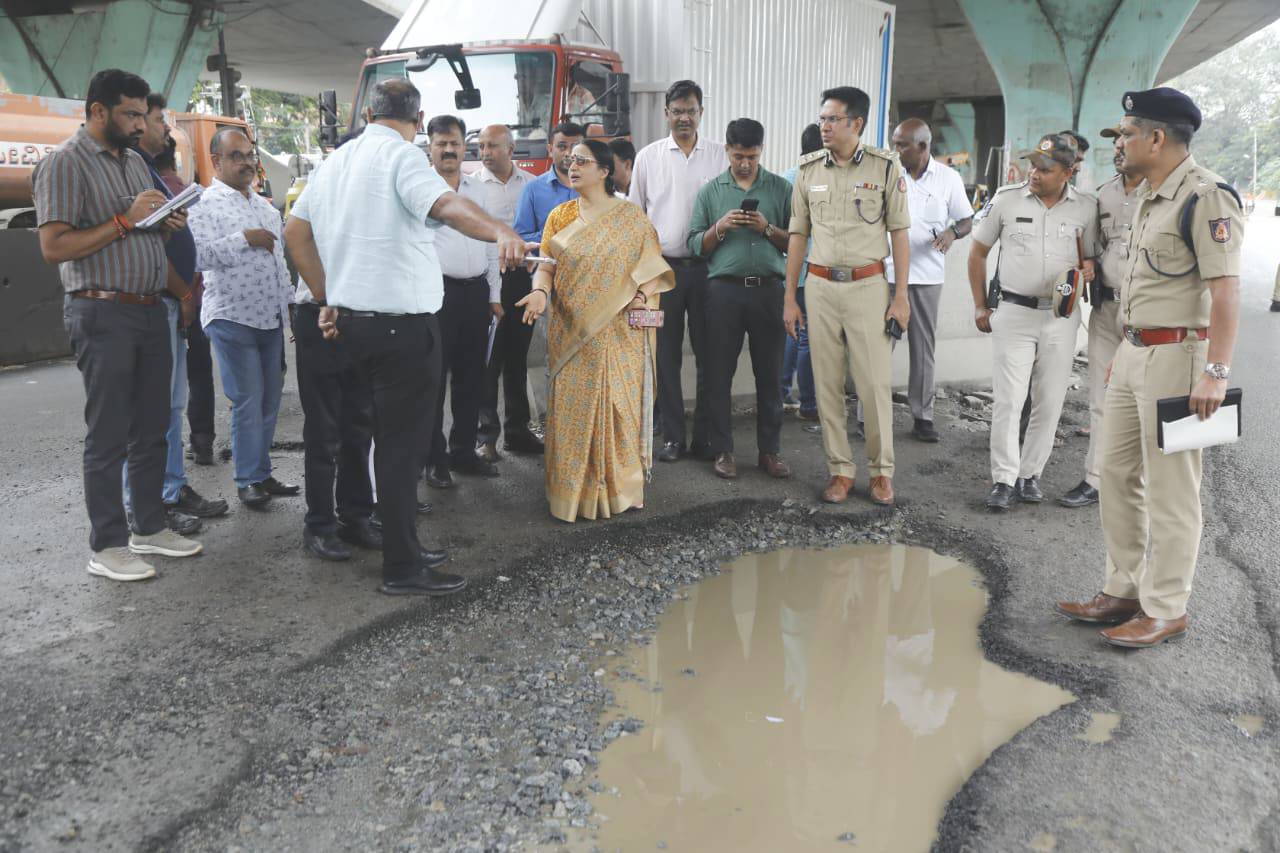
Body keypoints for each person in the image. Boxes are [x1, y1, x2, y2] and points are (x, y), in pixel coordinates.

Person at [284, 78, 526, 596]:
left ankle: (379, 533)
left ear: (369, 111)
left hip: (347, 326)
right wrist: (500, 231)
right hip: (401, 330)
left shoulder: (334, 162)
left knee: (359, 435)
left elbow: (295, 234)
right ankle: (402, 565)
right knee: (400, 448)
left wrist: (328, 295)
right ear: (418, 122)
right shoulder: (403, 159)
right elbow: (447, 207)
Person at [1056, 87, 1243, 648]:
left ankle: (1166, 607)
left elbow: (1227, 291)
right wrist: (1123, 356)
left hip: (1180, 359)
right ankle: (1124, 589)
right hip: (1134, 353)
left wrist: (1216, 371)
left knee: (1172, 490)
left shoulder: (1207, 197)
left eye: (1127, 134)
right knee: (1115, 476)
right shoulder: (1148, 196)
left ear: (1157, 138)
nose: (1121, 145)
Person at [33, 68, 202, 582]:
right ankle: (106, 544)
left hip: (150, 308)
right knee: (107, 434)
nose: (138, 124)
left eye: (140, 114)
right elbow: (54, 247)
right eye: (129, 114)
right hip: (101, 310)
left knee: (153, 428)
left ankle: (148, 527)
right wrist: (128, 220)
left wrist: (163, 219)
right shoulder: (64, 164)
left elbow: (138, 226)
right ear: (98, 111)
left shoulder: (134, 162)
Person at [514, 139, 674, 521]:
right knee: (572, 414)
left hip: (619, 334)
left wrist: (641, 297)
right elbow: (547, 266)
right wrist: (539, 292)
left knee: (619, 410)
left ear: (605, 172)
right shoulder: (560, 217)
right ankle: (572, 496)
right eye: (570, 161)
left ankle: (623, 489)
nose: (573, 166)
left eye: (582, 161)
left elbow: (651, 270)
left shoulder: (632, 219)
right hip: (572, 331)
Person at [784, 86, 911, 507]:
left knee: (874, 384)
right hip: (819, 287)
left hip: (868, 287)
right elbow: (798, 235)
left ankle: (881, 473)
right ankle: (839, 470)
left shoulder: (885, 167)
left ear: (856, 123)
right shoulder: (808, 170)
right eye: (822, 118)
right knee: (826, 384)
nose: (824, 125)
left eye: (832, 119)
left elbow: (899, 235)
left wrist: (901, 297)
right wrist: (790, 295)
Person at [967, 133, 1098, 512]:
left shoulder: (1085, 209)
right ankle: (1003, 480)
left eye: (1045, 169)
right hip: (1013, 313)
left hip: (1061, 317)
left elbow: (1092, 259)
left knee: (1049, 399)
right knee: (1008, 400)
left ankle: (1029, 475)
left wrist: (1089, 268)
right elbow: (976, 254)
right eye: (1032, 165)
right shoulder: (1007, 200)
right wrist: (980, 306)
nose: (1034, 174)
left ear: (1069, 172)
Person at [122, 92, 228, 534]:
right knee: (153, 410)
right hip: (157, 300)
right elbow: (141, 242)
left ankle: (171, 486)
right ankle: (148, 503)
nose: (167, 128)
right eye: (159, 119)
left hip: (170, 304)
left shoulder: (148, 169)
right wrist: (184, 291)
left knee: (173, 403)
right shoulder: (130, 169)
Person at [188, 128, 299, 509]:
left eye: (250, 155)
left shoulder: (267, 208)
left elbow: (281, 265)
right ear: (216, 162)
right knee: (248, 399)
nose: (248, 162)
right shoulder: (204, 206)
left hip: (269, 318)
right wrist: (242, 239)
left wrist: (290, 310)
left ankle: (261, 473)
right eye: (237, 156)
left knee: (269, 400)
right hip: (231, 316)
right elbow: (197, 257)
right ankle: (246, 479)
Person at [687, 118, 792, 481]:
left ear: (761, 151)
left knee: (771, 373)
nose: (744, 163)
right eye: (737, 156)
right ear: (727, 151)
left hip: (769, 291)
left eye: (751, 156)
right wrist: (719, 228)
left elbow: (796, 243)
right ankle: (723, 450)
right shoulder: (711, 191)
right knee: (718, 373)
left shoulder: (780, 189)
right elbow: (693, 243)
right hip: (723, 291)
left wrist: (766, 228)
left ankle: (770, 451)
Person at [291, 128, 379, 562]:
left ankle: (356, 515)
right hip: (319, 317)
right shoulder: (321, 185)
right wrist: (327, 299)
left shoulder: (368, 193)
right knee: (324, 430)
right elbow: (295, 235)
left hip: (357, 320)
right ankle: (320, 526)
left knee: (358, 424)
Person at [629, 80, 727, 463]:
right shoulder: (648, 157)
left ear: (701, 112)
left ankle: (703, 437)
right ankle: (672, 437)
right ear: (666, 113)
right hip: (663, 271)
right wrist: (640, 278)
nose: (684, 117)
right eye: (677, 111)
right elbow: (635, 219)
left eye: (691, 110)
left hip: (708, 269)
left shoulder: (719, 156)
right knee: (665, 355)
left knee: (708, 353)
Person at [1059, 126, 1141, 509]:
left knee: (1148, 401)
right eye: (1115, 143)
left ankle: (1139, 483)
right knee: (1100, 400)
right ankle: (1095, 479)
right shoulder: (1104, 195)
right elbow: (1093, 249)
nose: (1118, 148)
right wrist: (1089, 262)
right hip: (1107, 310)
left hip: (1148, 316)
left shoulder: (1165, 194)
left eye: (1125, 141)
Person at [879, 118, 974, 443]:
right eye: (895, 142)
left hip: (926, 277)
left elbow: (966, 219)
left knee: (923, 349)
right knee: (877, 347)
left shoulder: (948, 179)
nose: (896, 149)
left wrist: (951, 232)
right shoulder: (889, 175)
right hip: (886, 275)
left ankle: (923, 416)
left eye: (902, 144)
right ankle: (869, 416)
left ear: (923, 146)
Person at [424, 115, 503, 487]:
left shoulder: (478, 189)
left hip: (476, 294)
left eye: (454, 142)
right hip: (436, 296)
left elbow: (491, 243)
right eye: (442, 143)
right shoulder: (421, 188)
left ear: (463, 146)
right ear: (430, 147)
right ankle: (434, 460)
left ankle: (462, 452)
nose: (449, 149)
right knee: (434, 380)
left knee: (472, 378)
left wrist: (495, 294)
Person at [475, 124, 543, 463]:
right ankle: (486, 437)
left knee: (517, 358)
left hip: (522, 280)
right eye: (481, 146)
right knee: (489, 359)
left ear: (511, 149)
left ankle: (517, 431)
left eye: (492, 146)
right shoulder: (472, 187)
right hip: (488, 279)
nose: (485, 152)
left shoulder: (532, 186)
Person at [780, 123, 822, 421]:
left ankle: (781, 391)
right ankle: (809, 405)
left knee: (793, 334)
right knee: (809, 338)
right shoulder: (820, 180)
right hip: (814, 270)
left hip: (790, 271)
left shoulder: (787, 179)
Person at [513, 121, 583, 243]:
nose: (569, 153)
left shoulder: (597, 185)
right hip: (549, 261)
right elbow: (520, 237)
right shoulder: (533, 190)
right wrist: (553, 234)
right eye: (562, 147)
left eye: (575, 147)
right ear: (550, 150)